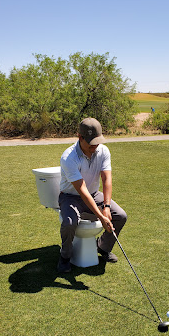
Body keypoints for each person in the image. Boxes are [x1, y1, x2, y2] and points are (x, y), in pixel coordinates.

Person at [57, 117, 127, 273]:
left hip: (95, 194)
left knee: (120, 215)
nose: (94, 147)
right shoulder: (69, 158)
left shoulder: (103, 150)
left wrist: (107, 207)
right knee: (69, 222)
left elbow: (106, 178)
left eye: (97, 142)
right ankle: (65, 257)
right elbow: (82, 190)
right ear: (80, 137)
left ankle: (102, 247)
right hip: (70, 196)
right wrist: (101, 217)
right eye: (91, 143)